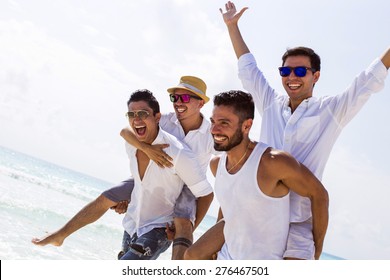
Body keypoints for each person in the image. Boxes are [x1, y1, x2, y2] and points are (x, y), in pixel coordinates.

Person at [185, 1, 390, 260]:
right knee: (192, 258)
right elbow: (249, 69)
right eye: (285, 70)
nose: (291, 76)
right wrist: (232, 26)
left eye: (300, 70)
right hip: (256, 214)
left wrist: (318, 246)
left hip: (297, 223)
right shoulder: (271, 104)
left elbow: (368, 81)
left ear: (315, 76)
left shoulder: (331, 111)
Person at [32, 76, 216, 260]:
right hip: (155, 174)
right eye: (174, 98)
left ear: (200, 103)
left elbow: (227, 154)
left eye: (184, 98)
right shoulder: (166, 121)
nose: (178, 103)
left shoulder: (210, 134)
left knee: (183, 223)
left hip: (188, 185)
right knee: (109, 196)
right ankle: (61, 234)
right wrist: (146, 149)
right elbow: (126, 131)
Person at [193, 90, 328, 259]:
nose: (214, 129)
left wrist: (317, 249)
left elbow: (319, 195)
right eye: (213, 122)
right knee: (191, 256)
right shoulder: (216, 165)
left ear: (246, 126)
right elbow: (229, 204)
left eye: (224, 123)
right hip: (230, 255)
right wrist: (217, 246)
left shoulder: (272, 162)